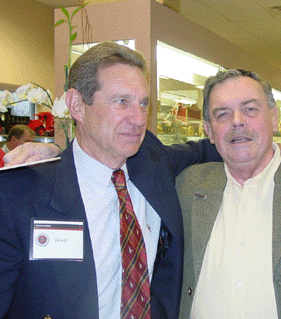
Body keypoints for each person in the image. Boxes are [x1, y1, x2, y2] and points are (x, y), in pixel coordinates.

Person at [0, 41, 227, 319]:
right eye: (122, 102)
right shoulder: (20, 195)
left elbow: (212, 147)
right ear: (76, 105)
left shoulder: (152, 161)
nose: (138, 119)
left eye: (143, 103)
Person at [176, 69, 281, 318]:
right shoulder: (186, 187)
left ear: (274, 117)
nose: (237, 121)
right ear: (209, 130)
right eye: (222, 114)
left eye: (250, 109)